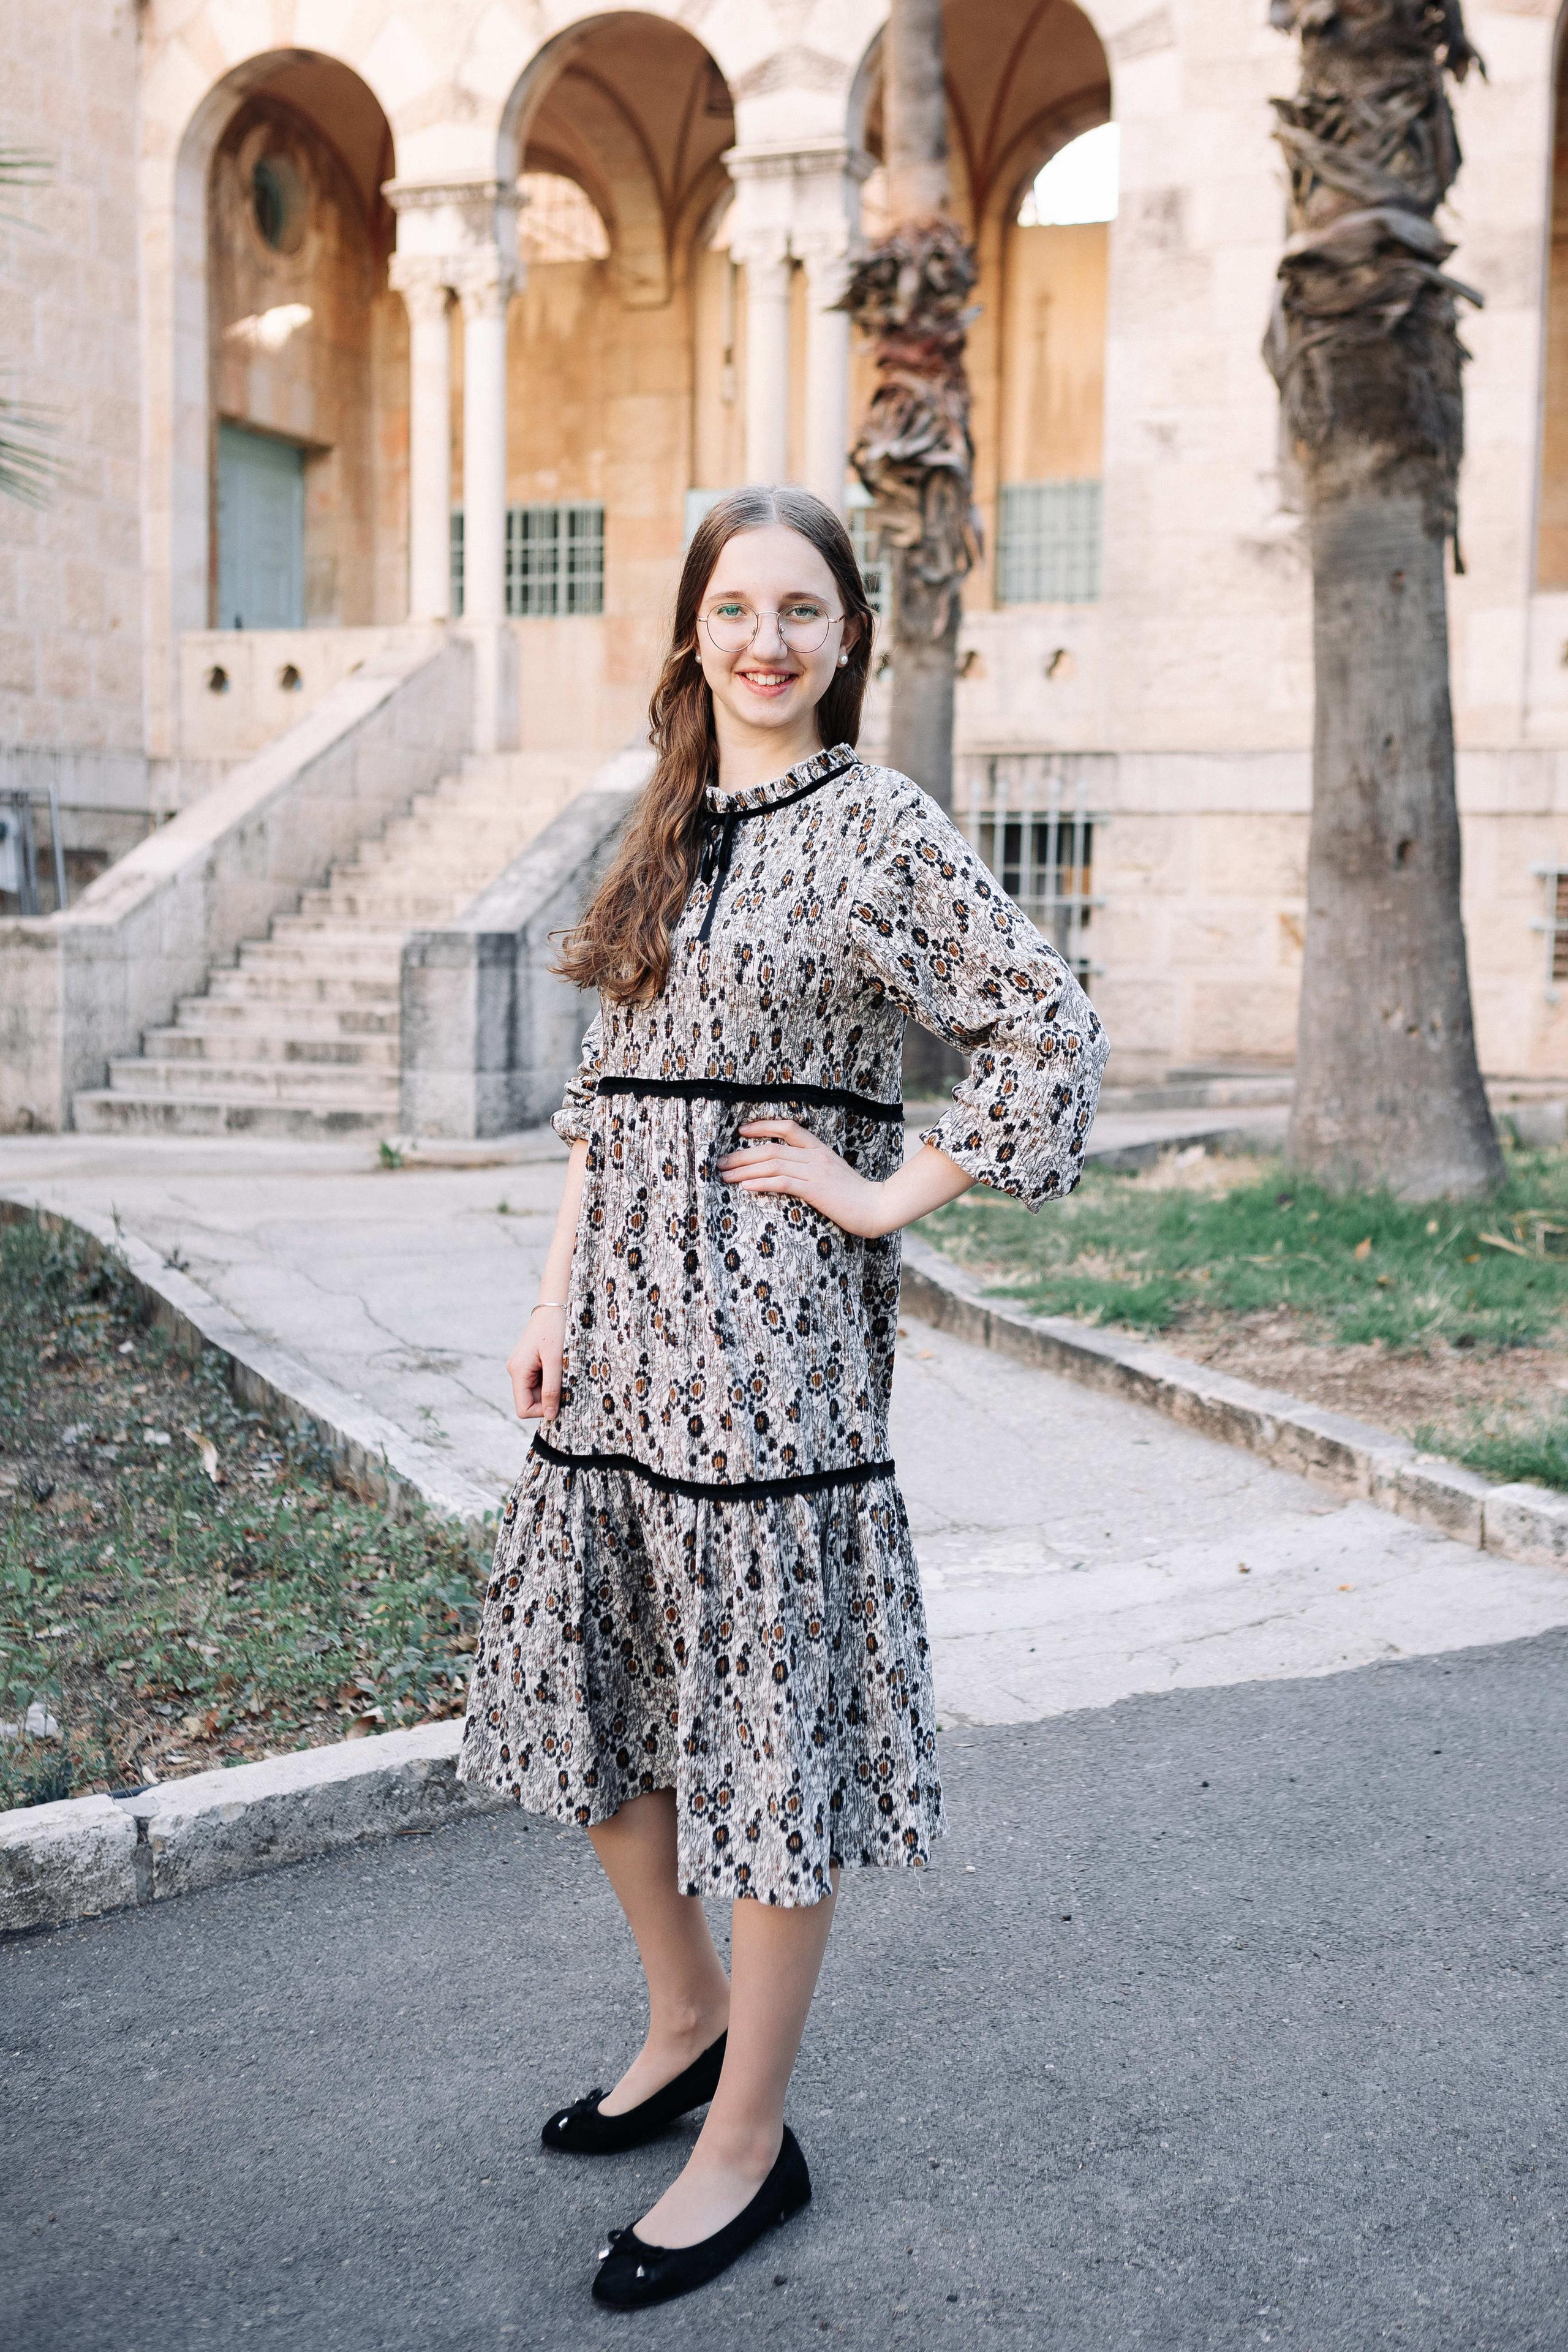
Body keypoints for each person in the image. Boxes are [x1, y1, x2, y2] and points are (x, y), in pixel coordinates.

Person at [457, 484, 1107, 2309]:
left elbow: (1046, 1028)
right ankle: (684, 2018)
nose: (765, 638)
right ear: (691, 632)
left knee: (764, 1746)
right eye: (735, 606)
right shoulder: (658, 820)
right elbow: (609, 1084)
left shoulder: (881, 827)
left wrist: (889, 1186)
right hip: (617, 1350)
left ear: (844, 641)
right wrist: (552, 1292)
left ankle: (750, 2141)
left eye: (801, 610)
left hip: (771, 1367)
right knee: (594, 1701)